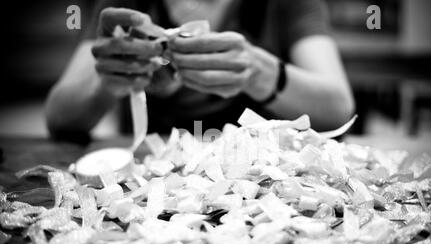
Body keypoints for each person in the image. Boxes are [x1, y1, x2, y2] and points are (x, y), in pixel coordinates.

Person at [45, 0, 354, 141]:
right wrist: (109, 85)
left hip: (260, 186)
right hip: (151, 188)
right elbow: (59, 118)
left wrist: (258, 72)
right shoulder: (129, 6)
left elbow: (338, 108)